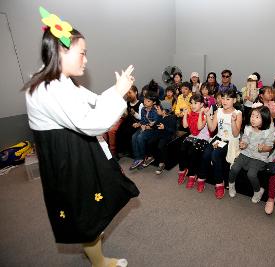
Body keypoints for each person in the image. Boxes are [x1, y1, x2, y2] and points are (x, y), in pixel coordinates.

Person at [24, 7, 139, 267]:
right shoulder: (48, 87)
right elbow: (92, 123)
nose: (86, 60)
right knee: (87, 210)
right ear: (63, 51)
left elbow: (96, 102)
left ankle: (95, 255)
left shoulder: (61, 81)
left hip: (76, 150)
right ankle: (99, 261)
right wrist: (120, 92)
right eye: (82, 53)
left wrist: (118, 90)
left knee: (94, 203)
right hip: (69, 158)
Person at [228, 105, 275, 203]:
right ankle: (231, 185)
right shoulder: (248, 127)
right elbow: (245, 140)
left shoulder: (268, 131)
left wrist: (263, 148)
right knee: (234, 168)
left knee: (251, 174)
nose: (253, 119)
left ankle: (257, 191)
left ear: (264, 118)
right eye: (252, 116)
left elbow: (270, 146)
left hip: (259, 156)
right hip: (246, 153)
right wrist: (243, 144)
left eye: (257, 117)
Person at [204, 88, 242, 199]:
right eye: (223, 98)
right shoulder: (219, 111)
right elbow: (212, 128)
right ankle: (203, 176)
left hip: (230, 141)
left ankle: (219, 184)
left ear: (234, 100)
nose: (224, 101)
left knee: (215, 155)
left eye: (228, 99)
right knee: (206, 153)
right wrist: (207, 116)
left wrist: (233, 121)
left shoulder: (237, 113)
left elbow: (235, 134)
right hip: (219, 139)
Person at [177, 94, 211, 191]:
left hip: (203, 138)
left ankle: (192, 175)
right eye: (191, 103)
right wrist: (185, 115)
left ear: (201, 105)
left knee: (192, 151)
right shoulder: (191, 112)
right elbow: (185, 126)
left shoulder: (205, 114)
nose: (192, 105)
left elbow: (199, 127)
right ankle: (183, 170)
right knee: (182, 147)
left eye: (195, 103)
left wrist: (200, 113)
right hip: (193, 136)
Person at [130, 90, 160, 170]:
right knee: (134, 137)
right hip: (144, 127)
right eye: (144, 100)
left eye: (148, 101)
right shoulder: (143, 109)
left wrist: (145, 126)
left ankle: (143, 157)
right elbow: (143, 121)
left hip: (153, 130)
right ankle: (137, 158)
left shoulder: (156, 110)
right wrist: (139, 124)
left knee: (140, 137)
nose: (145, 102)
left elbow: (155, 124)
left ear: (153, 102)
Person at [145, 100, 177, 173]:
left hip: (167, 135)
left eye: (158, 108)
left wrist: (164, 127)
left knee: (160, 146)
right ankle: (151, 157)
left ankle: (162, 163)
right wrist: (151, 125)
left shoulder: (171, 118)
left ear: (164, 111)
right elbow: (156, 125)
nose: (156, 110)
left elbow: (173, 130)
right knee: (150, 142)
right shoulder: (160, 117)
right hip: (159, 134)